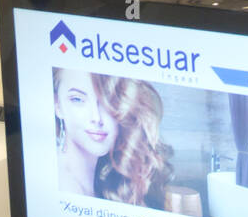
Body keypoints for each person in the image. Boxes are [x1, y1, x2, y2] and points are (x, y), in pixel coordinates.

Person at [52, 69, 170, 207]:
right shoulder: (66, 187)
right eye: (77, 99)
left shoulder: (104, 180)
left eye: (108, 101)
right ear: (57, 105)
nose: (96, 118)